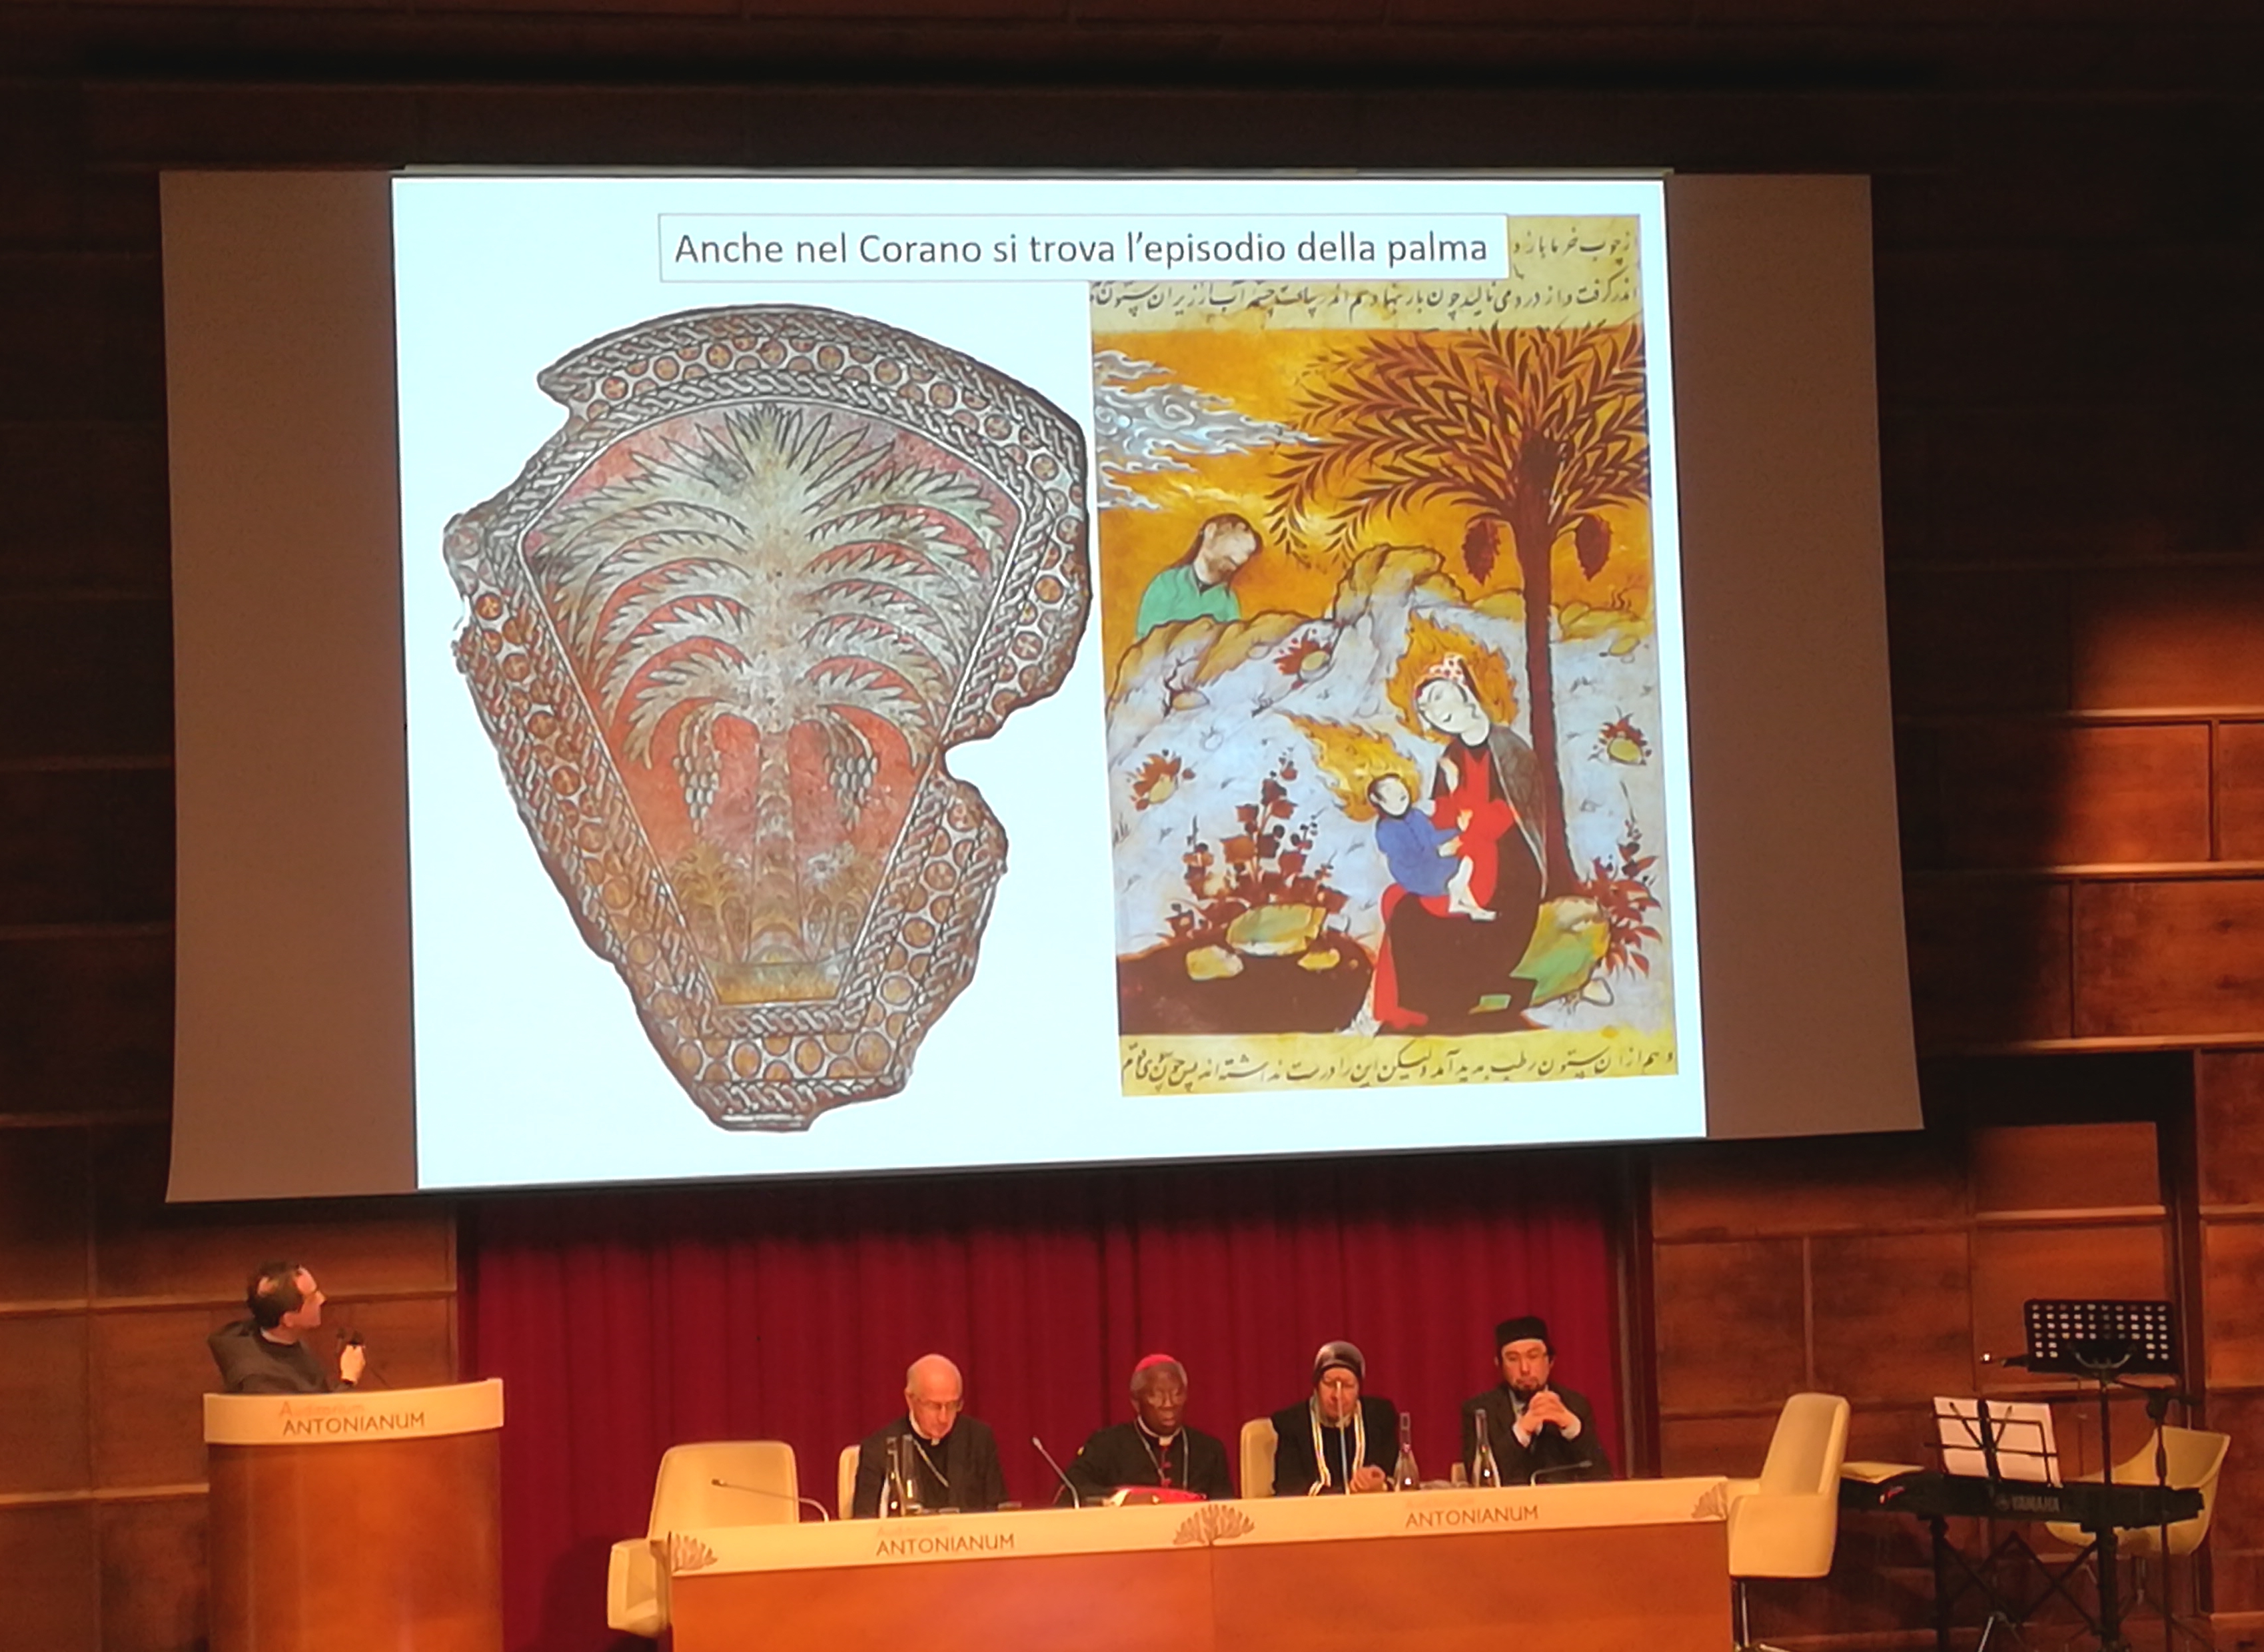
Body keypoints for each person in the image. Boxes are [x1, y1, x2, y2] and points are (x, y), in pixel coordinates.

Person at [1370, 654, 1548, 1031]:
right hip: (1463, 857)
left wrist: (1472, 827)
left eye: (1438, 697)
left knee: (1429, 918)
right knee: (1404, 907)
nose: (1435, 712)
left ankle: (1452, 1006)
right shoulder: (1450, 757)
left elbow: (1514, 814)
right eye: (1426, 708)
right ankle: (1424, 1011)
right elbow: (1443, 818)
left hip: (1510, 873)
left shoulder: (1510, 749)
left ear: (1464, 690)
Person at [1059, 1354, 1235, 1503]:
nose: (1169, 1404)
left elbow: (1226, 1508)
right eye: (1157, 1396)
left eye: (1177, 1394)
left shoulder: (1209, 1450)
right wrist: (1122, 1498)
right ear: (1136, 1402)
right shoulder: (1106, 1445)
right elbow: (1071, 1489)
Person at [1460, 1315, 1611, 1485]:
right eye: (1513, 1359)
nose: (1525, 1369)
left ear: (1550, 1361)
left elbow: (1602, 1476)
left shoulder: (1575, 1405)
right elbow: (1480, 1480)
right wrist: (1522, 1431)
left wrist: (1573, 1429)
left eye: (1533, 1356)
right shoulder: (1480, 1410)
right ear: (1499, 1364)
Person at [851, 1353, 1008, 1516]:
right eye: (934, 1406)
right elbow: (865, 1521)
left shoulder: (979, 1440)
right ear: (910, 1400)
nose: (943, 1418)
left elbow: (1000, 1513)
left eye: (952, 1405)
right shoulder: (879, 1449)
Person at [207, 1262, 366, 1394]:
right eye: (312, 1299)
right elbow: (308, 1419)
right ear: (288, 1320)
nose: (322, 1300)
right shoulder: (261, 1380)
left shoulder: (286, 1341)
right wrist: (349, 1379)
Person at [1270, 1340, 1398, 1495]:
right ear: (1316, 1386)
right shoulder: (1292, 1423)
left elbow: (1396, 1475)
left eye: (1348, 1385)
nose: (1337, 1395)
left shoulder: (1379, 1417)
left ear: (1359, 1389)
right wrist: (1345, 1493)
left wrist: (1379, 1482)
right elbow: (1288, 1486)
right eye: (1329, 1384)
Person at [1368, 771, 1491, 922]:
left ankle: (1473, 909)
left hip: (1433, 862)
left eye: (1399, 786)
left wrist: (1458, 829)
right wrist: (1439, 851)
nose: (1398, 792)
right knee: (1455, 875)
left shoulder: (1417, 815)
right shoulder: (1385, 831)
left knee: (1465, 864)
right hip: (1415, 874)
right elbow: (1407, 857)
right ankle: (1460, 905)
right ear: (1377, 799)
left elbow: (1432, 837)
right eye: (1389, 790)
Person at [1133, 514, 1260, 638]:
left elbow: (1232, 642)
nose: (1243, 557)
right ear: (1211, 532)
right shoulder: (1166, 584)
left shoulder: (1228, 601)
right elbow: (1145, 638)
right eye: (1237, 541)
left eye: (1249, 552)